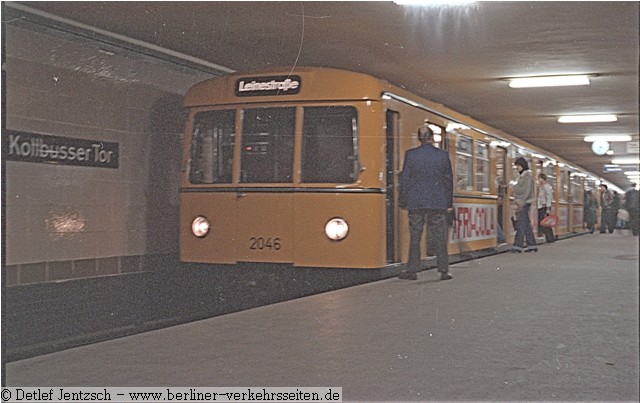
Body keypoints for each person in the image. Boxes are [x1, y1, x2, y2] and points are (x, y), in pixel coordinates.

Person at [398, 125, 454, 281]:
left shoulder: (411, 155)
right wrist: (449, 202)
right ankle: (444, 270)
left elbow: (405, 180)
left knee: (415, 236)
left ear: (419, 139)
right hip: (437, 202)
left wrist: (403, 201)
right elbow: (448, 181)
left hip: (416, 202)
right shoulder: (443, 156)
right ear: (431, 138)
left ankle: (412, 270)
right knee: (439, 237)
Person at [511, 157, 538, 252]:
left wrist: (520, 202)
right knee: (526, 225)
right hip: (522, 202)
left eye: (518, 165)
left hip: (524, 203)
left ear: (523, 165)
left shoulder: (527, 177)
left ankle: (517, 246)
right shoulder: (522, 176)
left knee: (521, 225)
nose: (517, 167)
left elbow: (526, 191)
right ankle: (532, 245)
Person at [536, 173, 556, 243]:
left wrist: (548, 208)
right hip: (541, 207)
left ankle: (550, 238)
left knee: (545, 223)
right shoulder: (541, 187)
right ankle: (549, 238)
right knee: (545, 223)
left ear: (543, 178)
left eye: (539, 178)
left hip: (545, 207)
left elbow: (548, 197)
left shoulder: (546, 187)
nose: (538, 180)